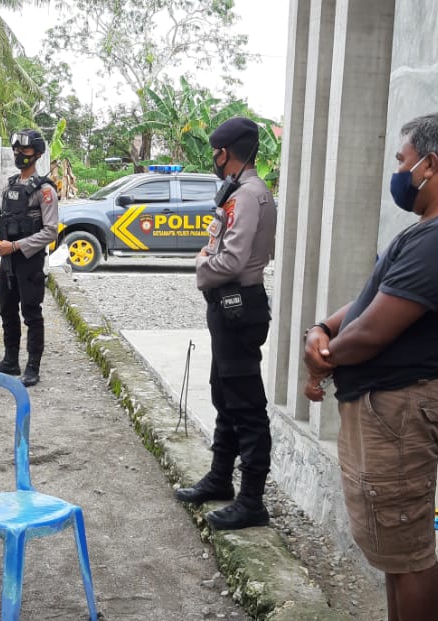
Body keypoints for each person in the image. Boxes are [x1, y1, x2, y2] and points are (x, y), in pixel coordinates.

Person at [303, 111, 438, 621]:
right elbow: (370, 302)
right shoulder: (432, 229)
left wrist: (322, 359)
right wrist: (322, 328)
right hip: (391, 408)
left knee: (407, 553)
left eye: (402, 161)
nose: (399, 172)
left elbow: (373, 330)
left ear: (430, 164)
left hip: (403, 411)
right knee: (393, 546)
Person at [173, 117, 277, 531]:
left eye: (216, 153)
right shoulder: (241, 191)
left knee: (246, 405)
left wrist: (201, 266)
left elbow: (230, 261)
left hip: (238, 306)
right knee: (225, 393)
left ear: (226, 152)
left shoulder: (247, 196)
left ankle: (252, 500)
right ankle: (220, 479)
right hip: (231, 308)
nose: (213, 160)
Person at [0, 129, 59, 387]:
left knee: (31, 313)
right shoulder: (10, 185)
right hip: (8, 261)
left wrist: (14, 247)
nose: (19, 154)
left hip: (29, 261)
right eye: (16, 150)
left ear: (36, 154)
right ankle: (10, 361)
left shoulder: (45, 190)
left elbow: (50, 231)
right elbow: (2, 215)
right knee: (7, 310)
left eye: (24, 151)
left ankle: (32, 367)